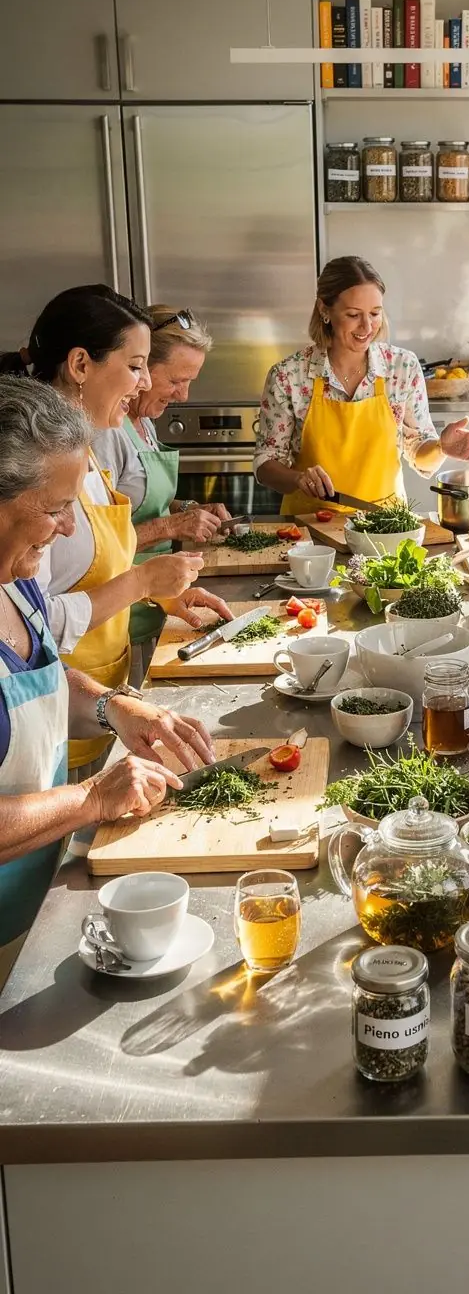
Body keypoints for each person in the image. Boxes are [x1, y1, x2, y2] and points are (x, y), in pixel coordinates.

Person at [0, 376, 216, 985]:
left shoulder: (19, 585)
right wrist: (92, 799)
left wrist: (114, 707)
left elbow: (41, 676)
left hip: (40, 914)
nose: (69, 529)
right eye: (54, 508)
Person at [0, 286, 231, 771]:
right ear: (81, 365)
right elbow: (35, 624)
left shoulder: (90, 447)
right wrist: (142, 582)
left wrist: (159, 598)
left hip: (89, 707)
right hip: (50, 726)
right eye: (135, 365)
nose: (146, 382)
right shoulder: (35, 472)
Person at [254, 255, 469, 513]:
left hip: (385, 526)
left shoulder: (402, 368)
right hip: (310, 531)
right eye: (353, 315)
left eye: (375, 313)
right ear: (324, 309)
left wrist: (441, 447)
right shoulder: (288, 376)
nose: (367, 326)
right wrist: (298, 478)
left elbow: (418, 452)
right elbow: (265, 463)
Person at [92, 305, 231, 677]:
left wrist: (187, 507)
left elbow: (139, 500)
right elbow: (95, 547)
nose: (183, 395)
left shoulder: (142, 421)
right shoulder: (105, 433)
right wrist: (171, 527)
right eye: (176, 380)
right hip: (118, 617)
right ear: (142, 369)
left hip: (159, 602)